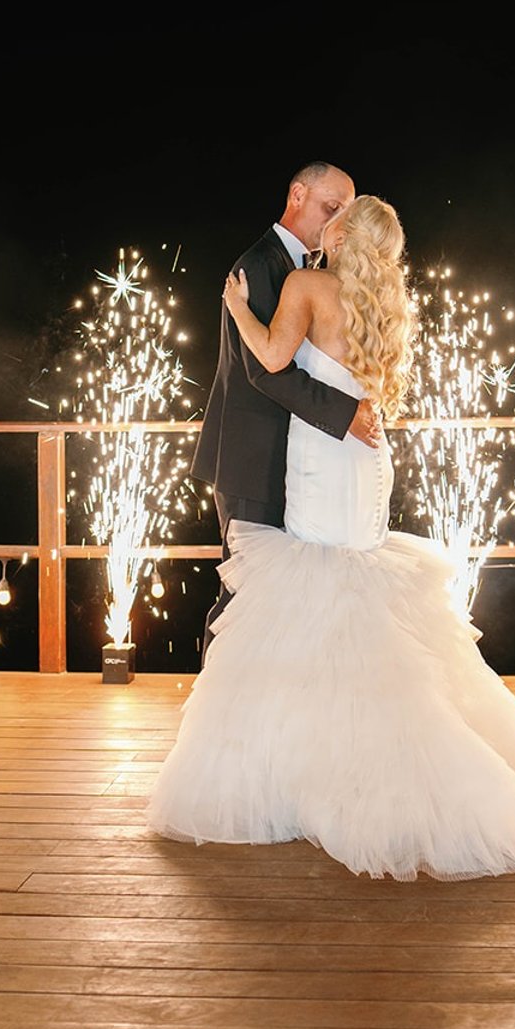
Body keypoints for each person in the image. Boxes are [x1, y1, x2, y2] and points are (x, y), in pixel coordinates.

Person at [147, 194, 515, 881]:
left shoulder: (305, 284)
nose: (328, 220)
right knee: (358, 589)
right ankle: (364, 756)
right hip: (367, 461)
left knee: (321, 595)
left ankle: (328, 770)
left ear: (343, 232)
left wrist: (235, 309)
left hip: (322, 460)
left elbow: (268, 356)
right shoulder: (388, 300)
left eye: (338, 214)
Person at [189, 161, 383, 666]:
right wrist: (346, 414)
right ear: (297, 195)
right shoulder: (261, 264)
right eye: (330, 207)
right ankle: (216, 705)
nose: (336, 222)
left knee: (284, 595)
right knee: (244, 591)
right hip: (251, 459)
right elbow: (265, 370)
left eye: (345, 212)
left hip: (301, 462)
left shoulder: (312, 274)